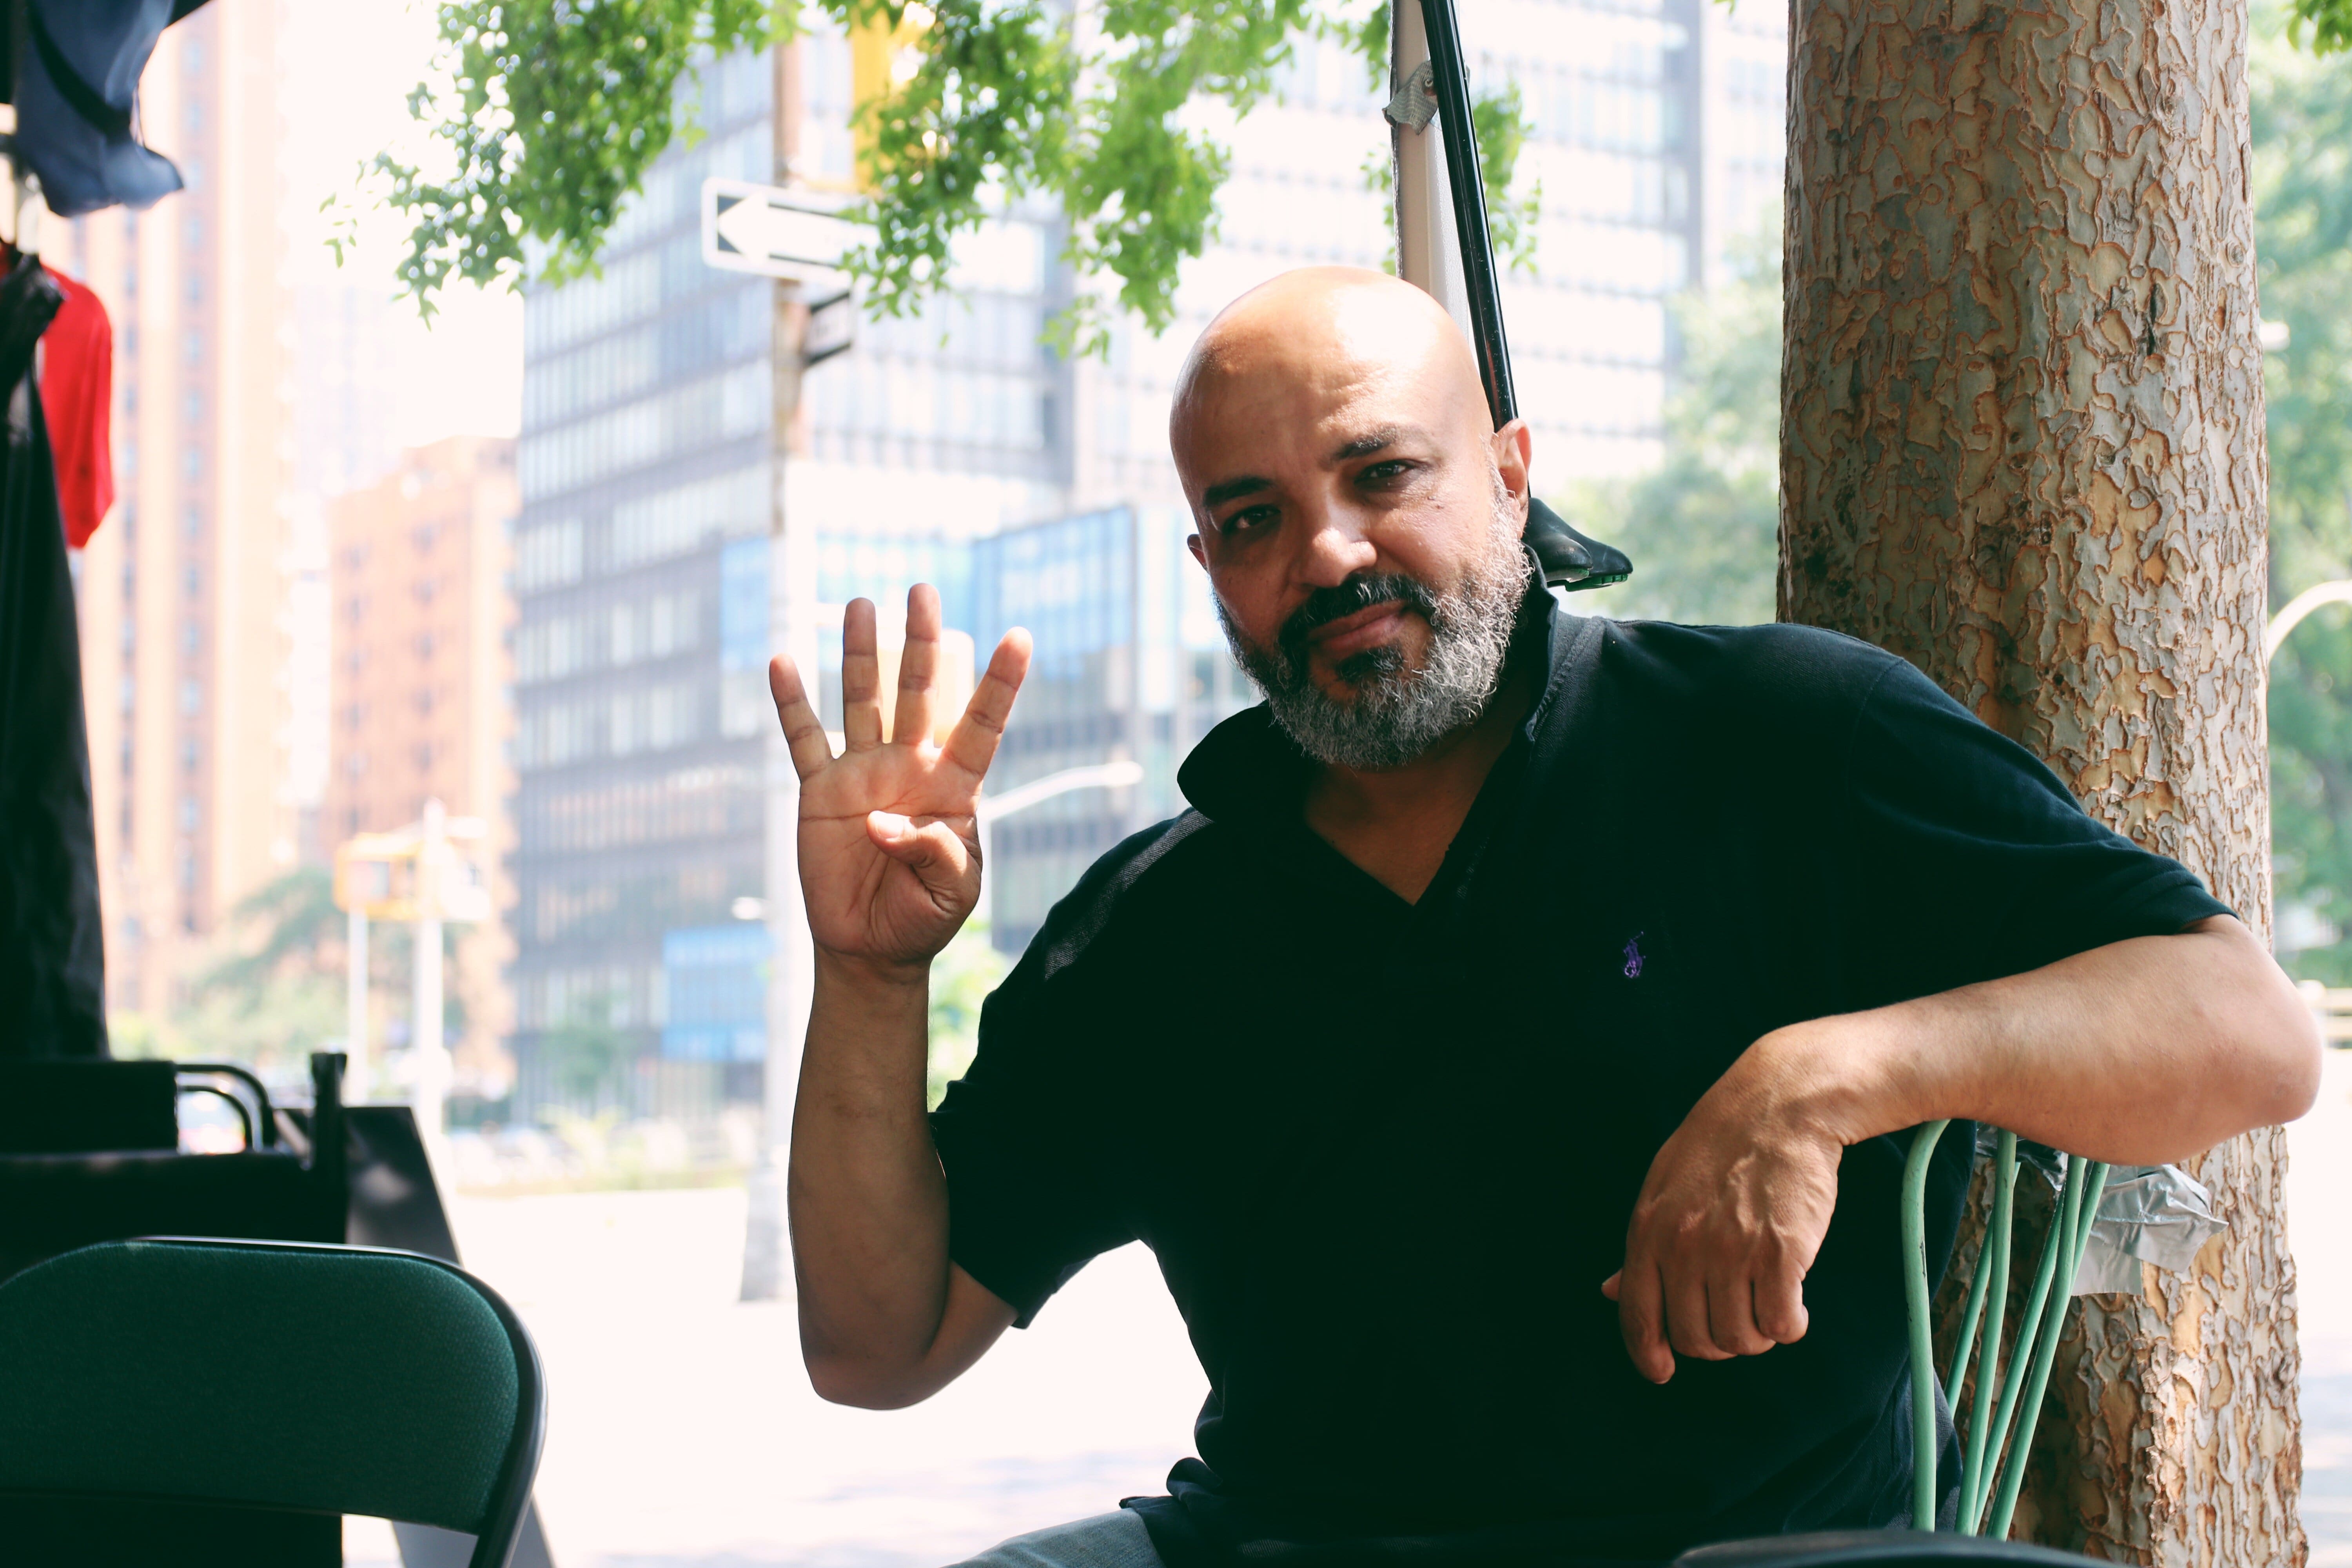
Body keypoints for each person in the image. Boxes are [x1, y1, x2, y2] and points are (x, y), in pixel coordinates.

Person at [771, 268, 2322, 1568]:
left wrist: (1822, 1078)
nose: (1326, 554)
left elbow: (2247, 1035)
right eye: (1252, 520)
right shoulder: (1161, 925)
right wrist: (865, 970)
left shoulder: (1782, 737)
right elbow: (877, 1341)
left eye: (1383, 474)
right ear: (1210, 570)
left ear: (1510, 472)